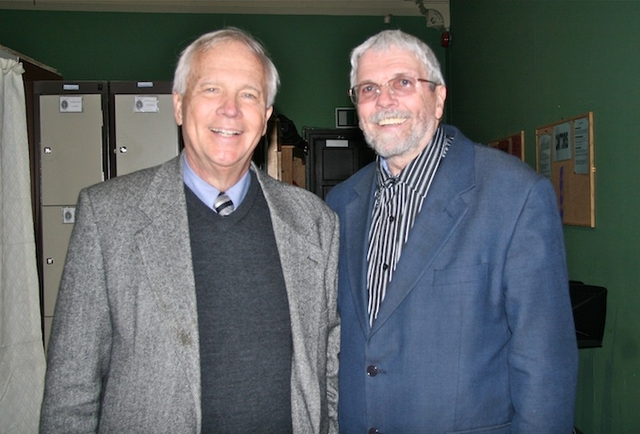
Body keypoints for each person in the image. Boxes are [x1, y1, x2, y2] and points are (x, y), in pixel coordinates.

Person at [40, 27, 340, 433]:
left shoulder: (315, 223)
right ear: (179, 105)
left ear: (267, 115)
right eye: (212, 89)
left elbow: (331, 370)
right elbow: (71, 390)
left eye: (249, 94)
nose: (230, 110)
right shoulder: (108, 216)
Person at [326, 29, 578, 433]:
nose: (384, 100)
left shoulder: (516, 195)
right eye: (368, 88)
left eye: (403, 83)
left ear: (438, 98)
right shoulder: (340, 204)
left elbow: (545, 361)